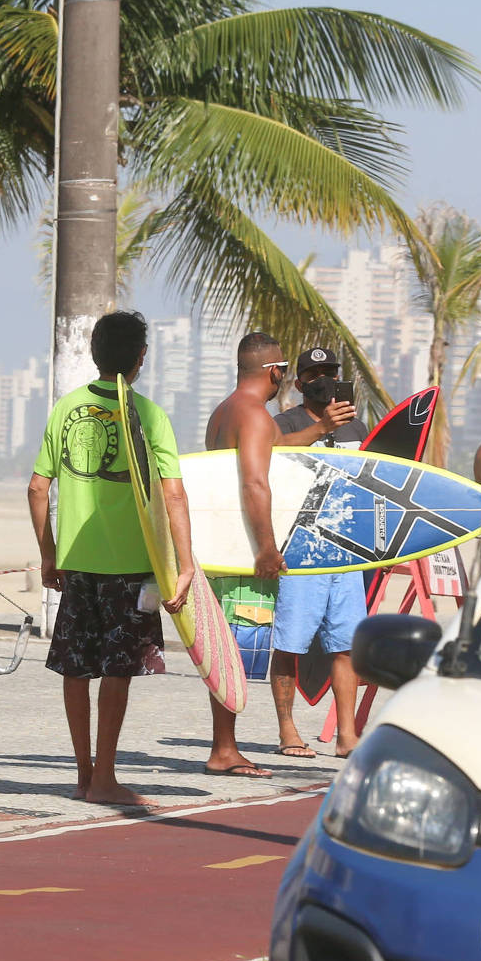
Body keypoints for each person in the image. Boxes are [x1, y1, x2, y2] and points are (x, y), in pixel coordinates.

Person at [28, 311, 200, 805]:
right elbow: (173, 497)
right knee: (117, 671)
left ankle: (85, 774)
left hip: (78, 561)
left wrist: (48, 554)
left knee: (77, 669)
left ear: (95, 353)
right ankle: (105, 778)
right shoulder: (149, 415)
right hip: (130, 566)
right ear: (141, 357)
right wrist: (184, 565)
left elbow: (38, 488)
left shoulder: (66, 409)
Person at [199, 333, 300, 781]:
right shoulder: (256, 415)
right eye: (286, 369)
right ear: (274, 370)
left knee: (226, 647)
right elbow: (255, 483)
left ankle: (225, 745)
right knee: (238, 651)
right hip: (245, 552)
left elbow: (278, 449)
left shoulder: (224, 411)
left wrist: (322, 429)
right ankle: (224, 749)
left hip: (220, 550)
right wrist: (266, 547)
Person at [267, 348, 364, 759]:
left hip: (345, 550)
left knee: (346, 645)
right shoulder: (282, 423)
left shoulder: (355, 426)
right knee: (290, 642)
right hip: (300, 549)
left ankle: (347, 734)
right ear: (299, 382)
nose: (323, 380)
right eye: (314, 374)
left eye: (330, 373)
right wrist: (321, 426)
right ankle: (288, 730)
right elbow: (271, 455)